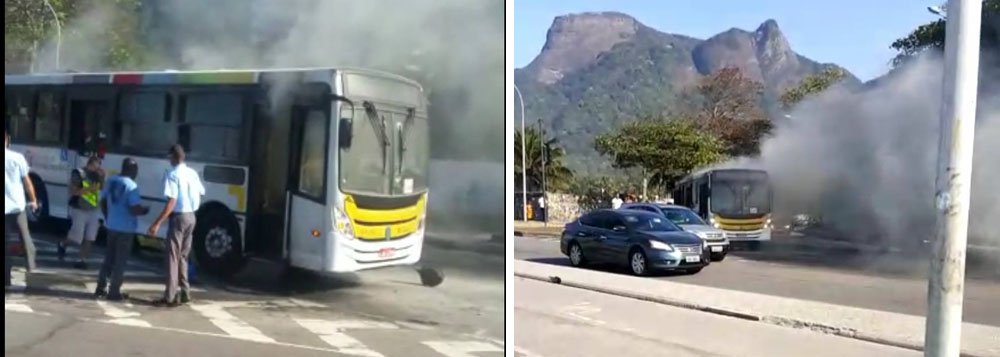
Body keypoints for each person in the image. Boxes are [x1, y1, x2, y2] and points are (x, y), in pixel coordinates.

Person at [147, 144, 204, 307]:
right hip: (192, 216)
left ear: (173, 157)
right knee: (183, 257)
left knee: (172, 257)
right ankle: (185, 292)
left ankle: (170, 296)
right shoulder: (192, 173)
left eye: (169, 157)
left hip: (179, 217)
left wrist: (157, 223)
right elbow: (201, 192)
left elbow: (171, 201)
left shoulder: (172, 175)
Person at [95, 158, 149, 300]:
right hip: (126, 229)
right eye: (135, 170)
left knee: (109, 259)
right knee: (120, 261)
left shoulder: (111, 181)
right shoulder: (131, 186)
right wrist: (145, 210)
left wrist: (107, 217)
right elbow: (134, 209)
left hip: (111, 226)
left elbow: (103, 201)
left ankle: (101, 288)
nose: (136, 172)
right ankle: (114, 292)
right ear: (131, 170)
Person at [58, 156, 105, 269]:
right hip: (79, 208)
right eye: (94, 166)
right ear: (89, 164)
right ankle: (63, 244)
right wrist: (89, 190)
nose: (96, 169)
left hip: (93, 209)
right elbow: (73, 191)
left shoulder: (97, 175)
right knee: (76, 237)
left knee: (90, 237)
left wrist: (102, 177)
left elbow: (101, 188)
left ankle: (82, 260)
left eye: (98, 166)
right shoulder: (79, 173)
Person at [5, 131, 39, 288]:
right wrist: (33, 200)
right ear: (7, 140)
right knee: (25, 237)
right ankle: (31, 267)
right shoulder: (17, 158)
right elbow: (27, 182)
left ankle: (6, 277)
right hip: (18, 206)